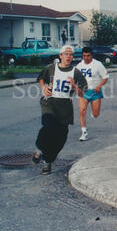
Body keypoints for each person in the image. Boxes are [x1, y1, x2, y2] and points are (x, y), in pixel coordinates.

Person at [32, 45, 87, 175]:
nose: (69, 56)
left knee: (61, 137)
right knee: (48, 125)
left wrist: (75, 85)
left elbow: (83, 92)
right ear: (60, 56)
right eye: (66, 54)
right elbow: (41, 78)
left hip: (65, 106)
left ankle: (47, 160)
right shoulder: (51, 68)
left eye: (71, 54)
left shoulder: (76, 72)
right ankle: (40, 149)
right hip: (49, 102)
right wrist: (43, 87)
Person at [76, 47, 109, 141]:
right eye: (84, 56)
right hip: (84, 92)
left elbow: (105, 77)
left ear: (91, 55)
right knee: (82, 111)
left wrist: (99, 86)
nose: (86, 58)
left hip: (95, 91)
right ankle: (84, 132)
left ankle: (94, 114)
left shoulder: (98, 65)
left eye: (88, 55)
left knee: (96, 114)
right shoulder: (79, 66)